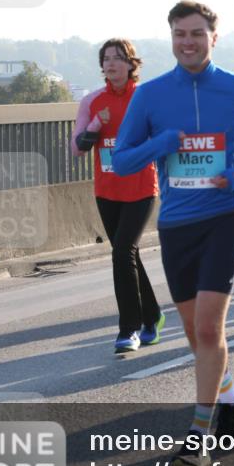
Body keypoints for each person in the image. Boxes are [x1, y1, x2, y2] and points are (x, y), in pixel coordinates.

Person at [113, 0, 234, 466]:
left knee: (208, 327)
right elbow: (121, 161)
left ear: (213, 38)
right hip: (177, 224)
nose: (188, 42)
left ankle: (199, 432)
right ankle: (230, 394)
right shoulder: (151, 95)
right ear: (171, 39)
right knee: (192, 331)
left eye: (197, 34)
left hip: (226, 215)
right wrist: (162, 143)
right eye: (180, 34)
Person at [71, 39, 163, 354]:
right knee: (128, 255)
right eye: (106, 59)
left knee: (122, 252)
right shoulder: (92, 101)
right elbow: (77, 149)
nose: (111, 64)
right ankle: (153, 316)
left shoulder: (147, 98)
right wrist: (97, 125)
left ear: (131, 64)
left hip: (140, 188)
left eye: (118, 58)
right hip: (107, 190)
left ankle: (129, 329)